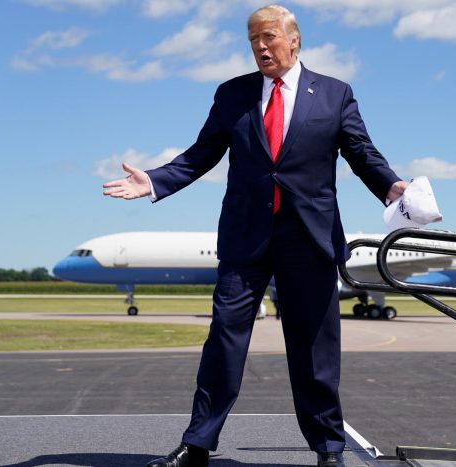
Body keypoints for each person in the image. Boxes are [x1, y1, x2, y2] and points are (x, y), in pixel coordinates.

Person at [102, 5, 407, 467]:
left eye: (267, 37)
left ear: (293, 39)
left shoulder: (334, 93)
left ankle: (328, 449)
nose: (260, 47)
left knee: (314, 349)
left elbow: (361, 152)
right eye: (252, 41)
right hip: (246, 238)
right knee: (224, 339)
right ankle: (197, 445)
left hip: (309, 237)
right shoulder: (232, 94)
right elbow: (202, 152)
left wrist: (392, 187)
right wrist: (156, 179)